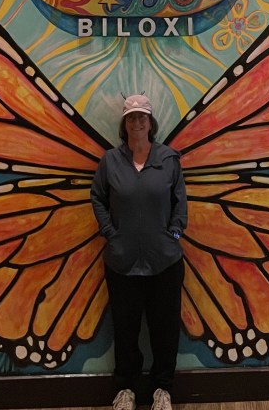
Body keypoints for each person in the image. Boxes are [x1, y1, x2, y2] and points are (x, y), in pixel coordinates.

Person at [90, 93, 188, 410]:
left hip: (165, 262)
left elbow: (180, 202)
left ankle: (162, 389)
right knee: (125, 329)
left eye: (141, 117)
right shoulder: (110, 161)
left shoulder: (168, 159)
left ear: (150, 122)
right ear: (124, 123)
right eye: (131, 117)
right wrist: (110, 232)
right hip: (122, 263)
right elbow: (97, 197)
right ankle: (126, 389)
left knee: (165, 330)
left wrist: (174, 233)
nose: (136, 123)